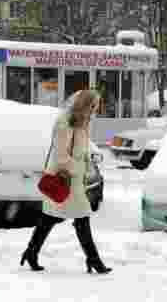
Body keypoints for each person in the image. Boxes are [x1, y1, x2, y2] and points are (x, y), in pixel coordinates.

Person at [20, 88, 112, 274]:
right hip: (65, 179)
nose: (95, 110)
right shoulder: (66, 122)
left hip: (73, 181)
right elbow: (61, 156)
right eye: (93, 106)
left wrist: (86, 163)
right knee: (80, 218)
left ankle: (31, 252)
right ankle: (93, 260)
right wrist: (78, 169)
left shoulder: (82, 122)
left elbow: (80, 150)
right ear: (84, 105)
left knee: (51, 218)